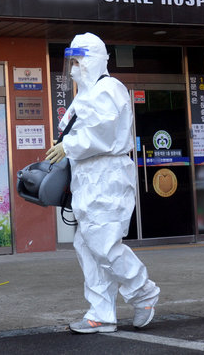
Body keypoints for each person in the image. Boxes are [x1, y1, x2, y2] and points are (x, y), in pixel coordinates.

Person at [46, 32, 160, 334]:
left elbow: (103, 133)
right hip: (89, 176)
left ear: (94, 60)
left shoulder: (109, 88)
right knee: (87, 244)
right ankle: (101, 312)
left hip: (108, 176)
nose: (72, 69)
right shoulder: (85, 95)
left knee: (105, 244)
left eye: (79, 61)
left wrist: (68, 147)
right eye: (72, 61)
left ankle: (143, 293)